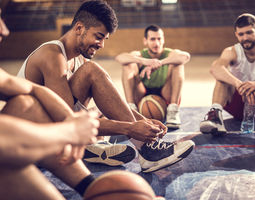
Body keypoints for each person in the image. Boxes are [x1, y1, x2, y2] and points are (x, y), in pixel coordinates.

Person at [16, 0, 195, 173]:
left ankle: (96, 146)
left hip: (53, 132)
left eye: (105, 39)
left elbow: (81, 110)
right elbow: (67, 119)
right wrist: (130, 128)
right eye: (99, 37)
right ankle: (146, 151)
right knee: (92, 72)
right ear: (79, 28)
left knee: (98, 105)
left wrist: (143, 122)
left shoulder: (78, 59)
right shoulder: (52, 56)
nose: (101, 45)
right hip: (27, 143)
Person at [0, 10, 100, 199]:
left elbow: (34, 89)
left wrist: (71, 120)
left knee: (25, 103)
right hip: (18, 146)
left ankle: (94, 189)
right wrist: (69, 131)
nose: (4, 30)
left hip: (33, 141)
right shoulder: (52, 53)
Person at [115, 24, 190, 129]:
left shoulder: (170, 53)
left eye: (159, 39)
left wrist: (160, 63)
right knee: (128, 64)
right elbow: (119, 58)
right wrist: (143, 61)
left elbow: (186, 56)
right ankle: (131, 109)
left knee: (178, 63)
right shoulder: (140, 55)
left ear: (163, 40)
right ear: (145, 41)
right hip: (142, 94)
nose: (157, 43)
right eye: (153, 39)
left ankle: (173, 110)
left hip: (166, 93)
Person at [200, 13, 255, 135]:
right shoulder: (232, 51)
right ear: (236, 35)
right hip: (241, 103)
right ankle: (215, 118)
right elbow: (215, 68)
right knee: (222, 77)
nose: (245, 38)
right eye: (241, 34)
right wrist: (239, 84)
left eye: (249, 33)